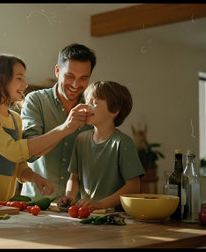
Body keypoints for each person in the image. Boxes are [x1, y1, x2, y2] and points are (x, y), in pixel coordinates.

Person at [0, 54, 84, 201]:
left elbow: (18, 165)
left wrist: (35, 177)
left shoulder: (15, 119)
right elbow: (13, 151)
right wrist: (65, 128)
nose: (25, 85)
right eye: (19, 78)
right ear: (0, 80)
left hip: (1, 202)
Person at [20, 43, 96, 201]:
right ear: (57, 71)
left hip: (79, 206)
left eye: (83, 78)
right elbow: (30, 153)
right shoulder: (36, 100)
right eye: (70, 76)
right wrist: (67, 128)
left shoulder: (94, 107)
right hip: (37, 204)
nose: (76, 85)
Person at [57, 81, 145, 210]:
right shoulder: (81, 139)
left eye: (93, 103)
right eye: (87, 102)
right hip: (86, 213)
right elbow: (74, 177)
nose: (86, 107)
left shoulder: (123, 143)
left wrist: (102, 204)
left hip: (114, 216)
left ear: (114, 110)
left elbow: (133, 186)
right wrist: (69, 196)